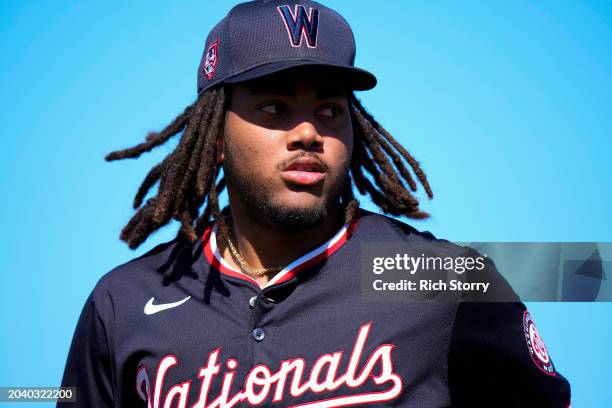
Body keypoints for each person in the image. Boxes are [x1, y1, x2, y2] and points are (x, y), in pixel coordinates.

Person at [59, 1, 571, 406]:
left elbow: (586, 280)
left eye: (329, 109)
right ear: (215, 133)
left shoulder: (435, 277)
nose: (308, 133)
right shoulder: (125, 302)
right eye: (275, 108)